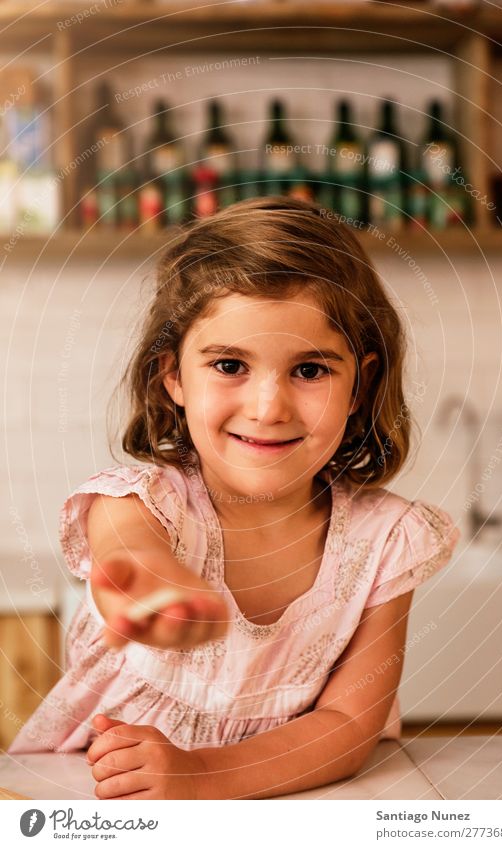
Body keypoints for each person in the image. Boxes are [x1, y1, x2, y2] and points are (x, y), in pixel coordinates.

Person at [9, 196, 460, 799]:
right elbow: (128, 559)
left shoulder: (387, 543)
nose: (268, 408)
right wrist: (152, 591)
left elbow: (351, 723)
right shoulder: (145, 504)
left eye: (310, 371)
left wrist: (203, 775)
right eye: (229, 365)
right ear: (172, 376)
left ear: (362, 385)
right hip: (100, 801)